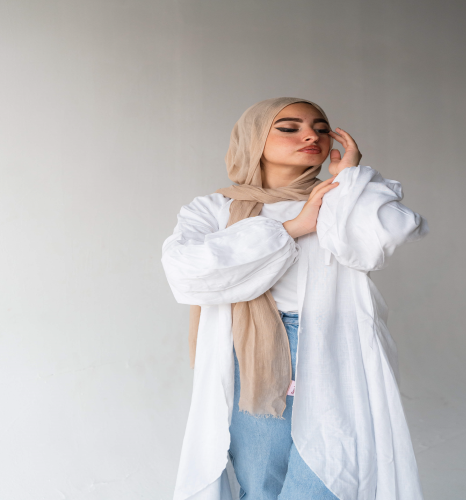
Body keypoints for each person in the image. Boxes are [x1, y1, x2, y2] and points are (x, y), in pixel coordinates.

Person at [161, 97, 429, 500]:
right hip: (250, 352)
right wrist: (291, 228)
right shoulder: (215, 209)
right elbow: (188, 271)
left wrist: (351, 177)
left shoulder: (339, 199)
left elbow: (385, 235)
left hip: (331, 344)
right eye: (289, 127)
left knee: (330, 478)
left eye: (321, 128)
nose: (311, 135)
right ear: (254, 140)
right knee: (261, 484)